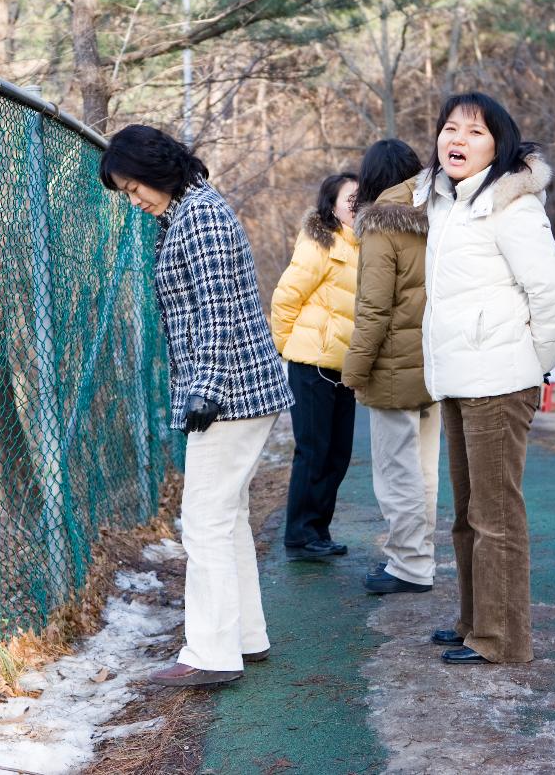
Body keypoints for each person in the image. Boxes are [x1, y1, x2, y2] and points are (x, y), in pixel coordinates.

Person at [99, 124, 293, 688]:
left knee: (205, 522)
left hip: (229, 392)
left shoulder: (201, 216)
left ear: (159, 170)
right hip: (231, 389)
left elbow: (218, 312)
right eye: (126, 192)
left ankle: (211, 652)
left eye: (136, 186)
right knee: (225, 518)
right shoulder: (185, 214)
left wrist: (204, 391)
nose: (134, 199)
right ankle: (243, 637)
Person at [404, 92, 555, 665]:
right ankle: (475, 620)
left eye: (474, 132)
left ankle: (501, 639)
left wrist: (533, 364)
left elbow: (554, 296)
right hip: (458, 377)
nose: (456, 140)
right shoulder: (446, 204)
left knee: (496, 515)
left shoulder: (511, 206)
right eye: (449, 129)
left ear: (499, 146)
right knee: (467, 514)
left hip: (500, 381)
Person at [342, 141, 442, 596]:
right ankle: (420, 557)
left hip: (393, 368)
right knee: (424, 467)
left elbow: (374, 308)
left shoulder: (382, 225)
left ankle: (409, 564)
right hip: (437, 363)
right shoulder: (439, 214)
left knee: (396, 470)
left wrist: (353, 370)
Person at [270, 173, 360, 561]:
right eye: (350, 199)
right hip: (312, 365)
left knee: (338, 453)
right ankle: (300, 535)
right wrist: (288, 347)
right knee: (313, 450)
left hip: (344, 368)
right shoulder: (319, 243)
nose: (358, 206)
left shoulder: (362, 245)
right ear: (332, 206)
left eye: (363, 198)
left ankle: (318, 529)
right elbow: (286, 296)